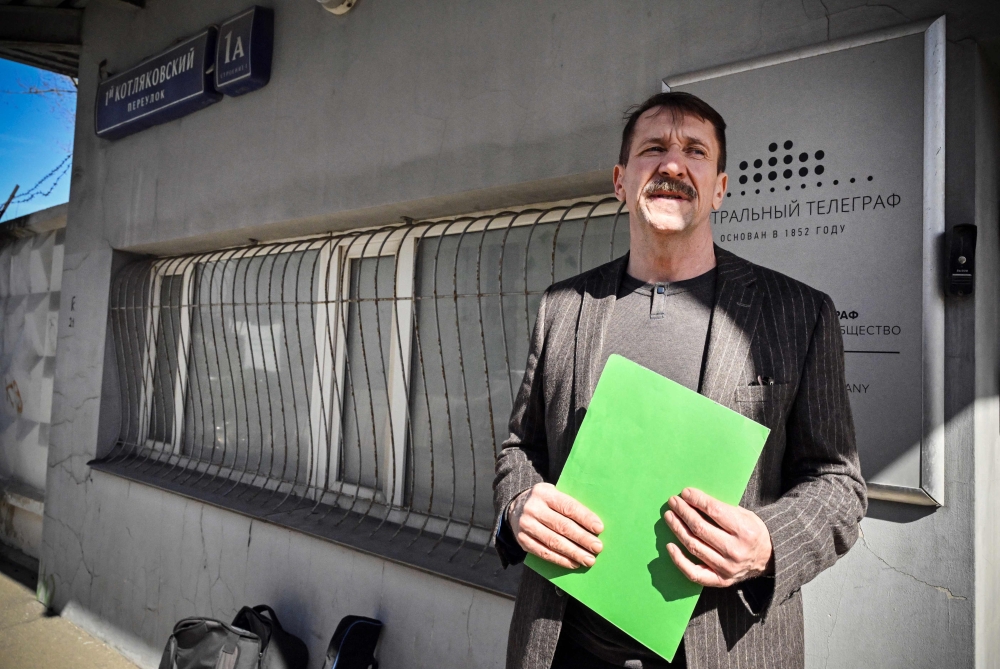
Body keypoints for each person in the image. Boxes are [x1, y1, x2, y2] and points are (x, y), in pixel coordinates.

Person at [492, 91, 867, 669]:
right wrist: (519, 503)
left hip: (726, 646)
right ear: (620, 181)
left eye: (695, 150)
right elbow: (523, 447)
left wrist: (767, 543)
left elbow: (838, 484)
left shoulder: (798, 313)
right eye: (654, 149)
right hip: (565, 648)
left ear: (719, 186)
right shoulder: (562, 307)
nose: (672, 165)